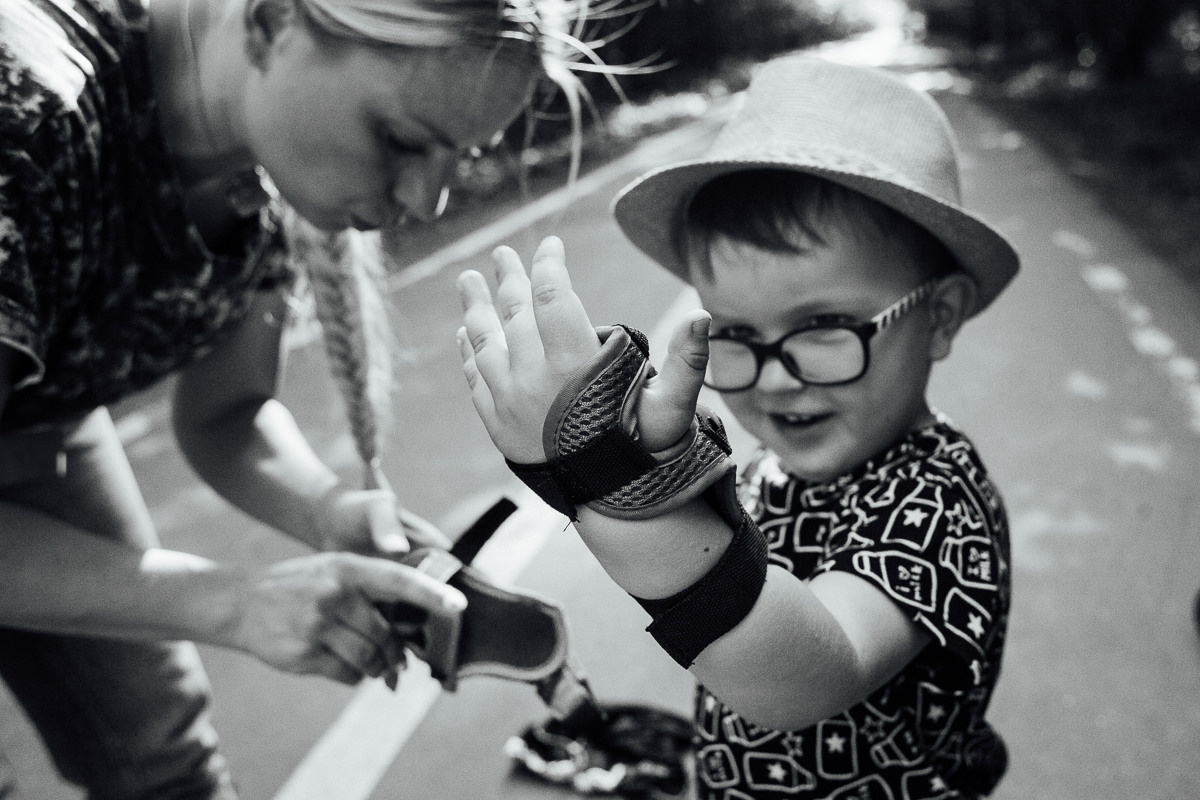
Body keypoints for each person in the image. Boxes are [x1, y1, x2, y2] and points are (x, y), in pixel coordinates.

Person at [0, 0, 585, 796]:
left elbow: (225, 415)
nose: (426, 202)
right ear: (273, 21)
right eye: (404, 141)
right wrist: (232, 603)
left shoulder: (256, 181)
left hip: (37, 434)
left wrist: (327, 510)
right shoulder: (29, 115)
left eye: (459, 156)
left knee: (162, 754)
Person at [457, 54, 1019, 798]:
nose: (777, 374)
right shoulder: (766, 469)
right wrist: (645, 474)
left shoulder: (937, 502)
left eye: (823, 325)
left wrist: (613, 485)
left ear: (939, 316)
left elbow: (806, 679)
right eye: (737, 333)